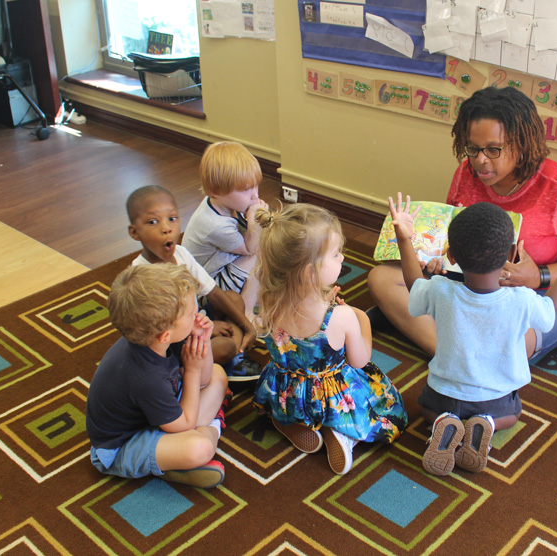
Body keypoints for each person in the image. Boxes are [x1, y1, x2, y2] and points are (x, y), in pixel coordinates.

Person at [367, 86, 557, 362]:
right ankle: (455, 357)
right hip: (473, 282)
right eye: (473, 148)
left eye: (494, 150)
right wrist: (438, 260)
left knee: (508, 348)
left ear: (522, 143)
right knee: (381, 278)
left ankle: (439, 338)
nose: (480, 160)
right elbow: (453, 234)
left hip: (546, 295)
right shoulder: (466, 173)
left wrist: (538, 277)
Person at [388, 196, 557, 475]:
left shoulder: (440, 290)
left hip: (443, 393)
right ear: (511, 253)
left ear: (451, 256)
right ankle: (486, 424)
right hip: (496, 399)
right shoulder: (522, 300)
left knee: (426, 409)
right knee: (512, 415)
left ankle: (443, 421)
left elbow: (413, 283)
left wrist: (405, 238)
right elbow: (551, 307)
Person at [250, 203, 407, 475]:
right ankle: (342, 431)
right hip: (332, 395)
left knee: (293, 383)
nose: (343, 258)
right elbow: (360, 360)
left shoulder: (266, 303)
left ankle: (289, 420)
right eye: (335, 254)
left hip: (287, 391)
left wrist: (321, 298)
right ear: (310, 273)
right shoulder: (342, 316)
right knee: (380, 397)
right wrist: (362, 318)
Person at [86, 263, 230, 488]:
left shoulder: (156, 338)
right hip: (121, 447)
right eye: (191, 312)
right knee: (199, 447)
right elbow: (185, 423)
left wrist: (203, 341)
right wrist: (191, 371)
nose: (197, 312)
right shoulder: (145, 377)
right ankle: (209, 430)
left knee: (218, 376)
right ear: (165, 335)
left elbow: (205, 379)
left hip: (157, 415)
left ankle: (176, 456)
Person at [126, 185, 258, 378]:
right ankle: (228, 361)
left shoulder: (181, 254)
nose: (166, 228)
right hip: (175, 343)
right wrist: (208, 329)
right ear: (135, 232)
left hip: (195, 320)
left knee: (233, 299)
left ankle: (232, 360)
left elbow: (213, 292)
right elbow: (164, 333)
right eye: (153, 222)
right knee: (225, 346)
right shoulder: (141, 276)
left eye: (172, 218)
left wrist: (248, 327)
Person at [182, 141, 268, 317]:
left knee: (263, 248)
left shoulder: (221, 204)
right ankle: (246, 312)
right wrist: (254, 223)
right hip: (206, 293)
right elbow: (251, 248)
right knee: (258, 253)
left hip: (218, 271)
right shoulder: (216, 225)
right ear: (216, 191)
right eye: (245, 189)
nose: (255, 195)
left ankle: (256, 295)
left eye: (255, 186)